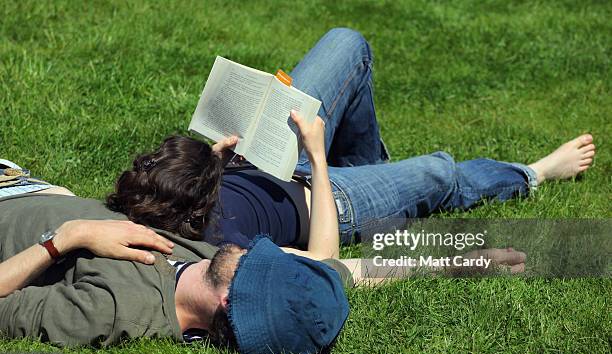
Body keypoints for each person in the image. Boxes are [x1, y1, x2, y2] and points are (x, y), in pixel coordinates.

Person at [107, 28, 595, 256]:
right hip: (328, 197)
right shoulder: (221, 252)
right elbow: (322, 261)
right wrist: (318, 159)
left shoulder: (156, 200)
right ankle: (534, 173)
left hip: (272, 154)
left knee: (347, 44)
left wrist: (219, 160)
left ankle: (375, 170)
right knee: (439, 172)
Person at [0, 170, 350, 354]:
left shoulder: (112, 311)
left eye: (252, 264)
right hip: (21, 182)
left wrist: (67, 238)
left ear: (229, 301)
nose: (246, 251)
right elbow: (335, 267)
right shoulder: (206, 264)